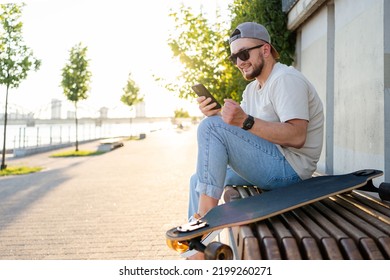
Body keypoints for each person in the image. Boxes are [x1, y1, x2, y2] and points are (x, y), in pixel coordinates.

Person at [187, 22, 324, 259]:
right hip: (271, 163)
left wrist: (239, 122)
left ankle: (203, 229)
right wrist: (219, 118)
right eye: (234, 58)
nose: (239, 62)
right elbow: (244, 135)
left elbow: (297, 136)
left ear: (265, 50)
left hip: (290, 169)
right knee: (198, 179)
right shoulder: (252, 90)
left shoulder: (285, 80)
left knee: (211, 129)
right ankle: (198, 254)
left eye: (243, 53)